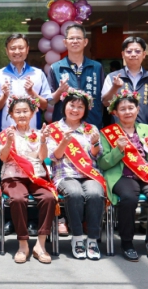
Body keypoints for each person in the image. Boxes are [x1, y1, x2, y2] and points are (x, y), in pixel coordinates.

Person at [98, 90, 148, 263]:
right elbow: (103, 163)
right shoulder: (107, 133)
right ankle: (127, 242)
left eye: (131, 108)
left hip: (147, 174)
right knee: (129, 198)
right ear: (115, 112)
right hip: (122, 175)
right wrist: (118, 150)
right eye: (122, 109)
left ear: (138, 109)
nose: (127, 112)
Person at [45, 88, 106, 260]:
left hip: (88, 174)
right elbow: (54, 157)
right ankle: (78, 238)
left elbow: (96, 155)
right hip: (64, 174)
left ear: (85, 110)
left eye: (80, 107)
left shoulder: (90, 128)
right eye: (72, 105)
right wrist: (64, 142)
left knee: (95, 193)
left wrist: (95, 144)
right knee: (74, 193)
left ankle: (92, 239)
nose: (75, 110)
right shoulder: (54, 129)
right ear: (64, 106)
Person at [0, 95, 58, 264]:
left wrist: (43, 141)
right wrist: (9, 142)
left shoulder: (39, 134)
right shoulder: (6, 134)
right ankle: (23, 244)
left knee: (48, 198)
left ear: (32, 113)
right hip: (13, 176)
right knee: (18, 198)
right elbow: (3, 158)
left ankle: (40, 244)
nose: (22, 115)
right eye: (18, 112)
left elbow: (43, 157)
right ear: (11, 114)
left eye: (25, 111)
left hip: (36, 176)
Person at [47, 24, 105, 129]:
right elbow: (50, 101)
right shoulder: (56, 68)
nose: (75, 41)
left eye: (78, 38)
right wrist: (60, 91)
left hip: (92, 126)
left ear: (85, 42)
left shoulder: (97, 67)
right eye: (71, 38)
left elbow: (103, 99)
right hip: (64, 128)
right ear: (65, 42)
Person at [0, 33, 51, 131]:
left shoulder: (38, 74)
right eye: (13, 48)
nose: (17, 51)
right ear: (6, 51)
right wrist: (4, 96)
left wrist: (32, 93)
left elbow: (45, 106)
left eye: (21, 48)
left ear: (27, 50)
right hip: (6, 132)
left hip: (33, 132)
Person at [101, 36, 148, 126]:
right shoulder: (112, 77)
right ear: (123, 54)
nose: (133, 54)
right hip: (119, 131)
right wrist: (115, 87)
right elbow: (105, 103)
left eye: (137, 51)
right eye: (129, 51)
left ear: (144, 54)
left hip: (147, 131)